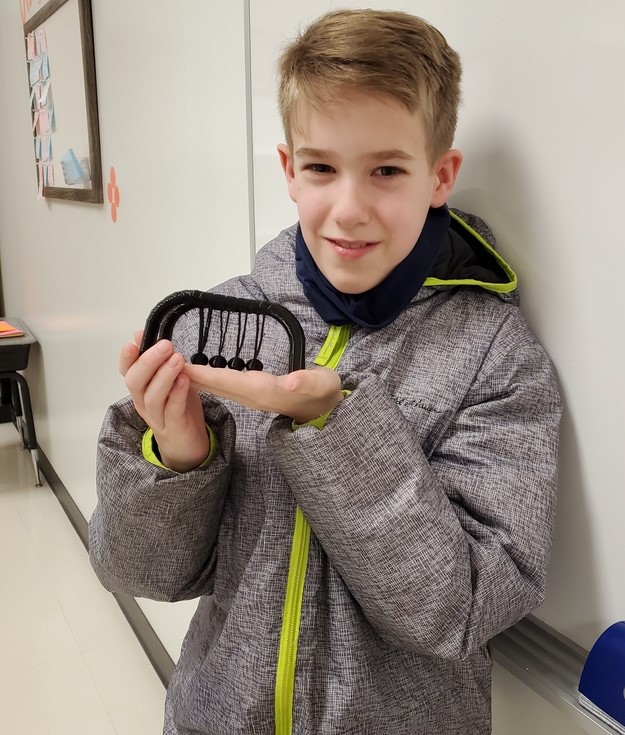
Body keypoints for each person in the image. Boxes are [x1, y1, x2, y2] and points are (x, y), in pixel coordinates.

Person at [88, 9, 561, 735]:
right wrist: (179, 456)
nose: (347, 208)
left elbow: (458, 607)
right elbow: (138, 572)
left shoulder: (494, 355)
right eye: (320, 167)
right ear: (287, 171)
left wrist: (332, 425)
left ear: (439, 176)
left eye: (385, 170)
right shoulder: (227, 321)